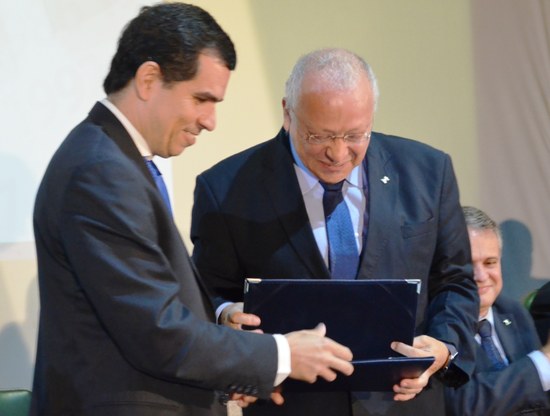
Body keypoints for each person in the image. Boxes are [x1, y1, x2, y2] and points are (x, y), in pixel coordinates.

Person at [30, 5, 355, 415]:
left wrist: (234, 361)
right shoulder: (102, 172)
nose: (210, 121)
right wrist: (282, 355)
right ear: (149, 79)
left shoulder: (115, 160)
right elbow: (157, 333)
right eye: (202, 99)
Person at [191, 48, 479, 416]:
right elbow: (206, 295)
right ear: (287, 113)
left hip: (404, 404)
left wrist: (443, 347)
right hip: (291, 404)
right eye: (319, 135)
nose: (338, 153)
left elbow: (455, 282)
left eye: (355, 135)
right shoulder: (226, 189)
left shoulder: (427, 173)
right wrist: (227, 316)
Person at [444, 206, 550, 415]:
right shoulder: (433, 326)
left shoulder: (511, 311)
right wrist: (544, 361)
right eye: (468, 265)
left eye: (490, 262)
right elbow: (460, 405)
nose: (481, 276)